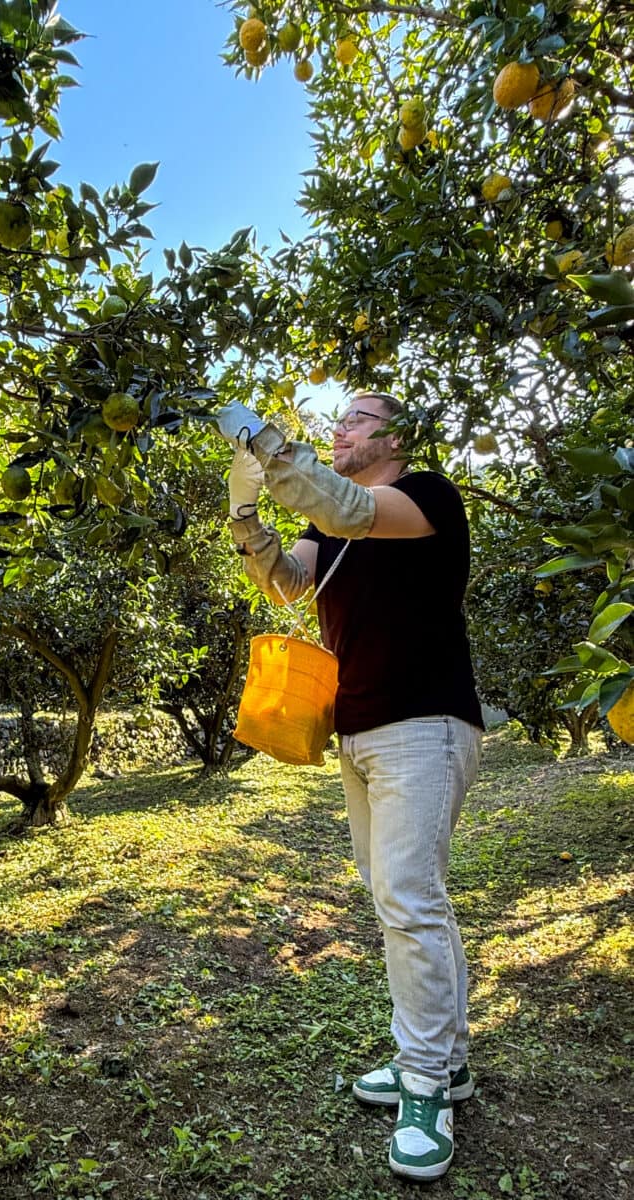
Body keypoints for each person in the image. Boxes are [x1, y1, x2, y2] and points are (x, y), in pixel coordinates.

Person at [215, 392, 484, 1183]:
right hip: (359, 730)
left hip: (425, 723)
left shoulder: (422, 498)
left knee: (408, 900)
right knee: (404, 897)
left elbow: (337, 505)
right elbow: (286, 583)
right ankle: (450, 1061)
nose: (339, 428)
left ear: (394, 438)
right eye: (336, 419)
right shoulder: (333, 536)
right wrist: (242, 508)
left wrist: (263, 440)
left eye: (356, 420)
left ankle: (426, 1085)